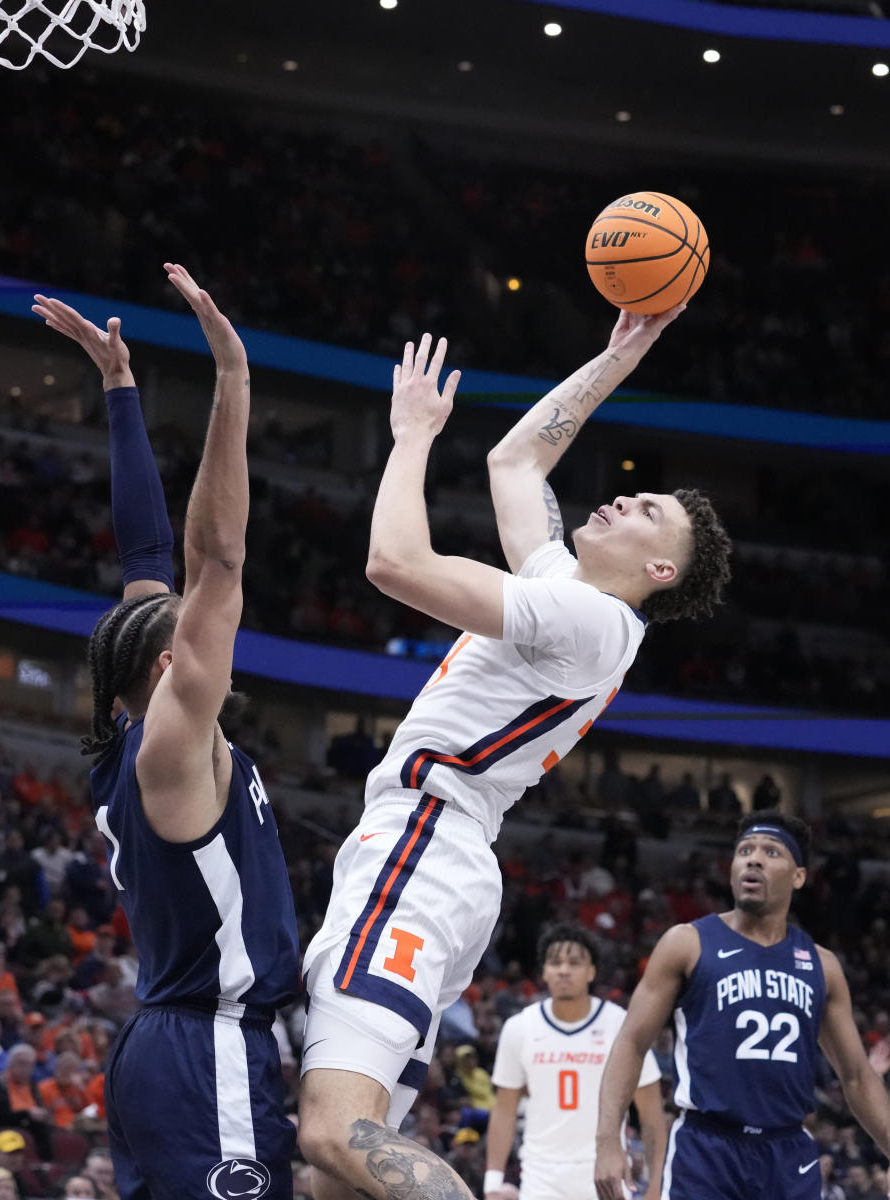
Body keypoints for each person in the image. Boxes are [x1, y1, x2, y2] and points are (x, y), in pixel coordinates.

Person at [298, 315, 732, 1200]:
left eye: (647, 512)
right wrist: (621, 356)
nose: (622, 498)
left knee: (332, 1130)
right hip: (441, 853)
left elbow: (393, 562)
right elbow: (515, 463)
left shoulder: (597, 623)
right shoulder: (562, 588)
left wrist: (412, 436)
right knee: (343, 1170)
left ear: (658, 569)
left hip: (423, 842)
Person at [33, 264, 299, 1199]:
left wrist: (119, 388)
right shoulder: (171, 743)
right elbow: (214, 558)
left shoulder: (140, 729)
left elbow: (147, 554)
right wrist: (232, 380)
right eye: (187, 631)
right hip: (205, 1049)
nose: (207, 628)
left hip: (179, 1047)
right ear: (167, 666)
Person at [594, 810, 890, 1200]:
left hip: (788, 1155)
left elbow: (855, 1076)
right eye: (745, 850)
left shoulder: (822, 965)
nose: (754, 858)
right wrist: (607, 1140)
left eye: (772, 852)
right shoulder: (687, 943)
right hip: (705, 1149)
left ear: (798, 876)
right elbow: (632, 1042)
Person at [485, 924, 665, 1200]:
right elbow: (505, 1109)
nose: (564, 970)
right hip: (540, 1178)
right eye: (555, 962)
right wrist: (493, 1183)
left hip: (606, 1173)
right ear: (544, 971)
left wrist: (656, 1186)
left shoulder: (620, 1024)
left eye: (574, 963)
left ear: (591, 972)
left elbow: (651, 1113)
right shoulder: (519, 1027)